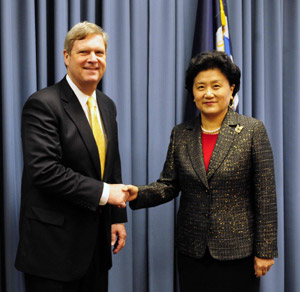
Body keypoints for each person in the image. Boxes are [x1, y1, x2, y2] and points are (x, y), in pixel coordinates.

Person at [125, 51, 278, 292]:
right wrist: (137, 193)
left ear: (231, 89)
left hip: (238, 252)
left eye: (216, 86)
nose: (208, 93)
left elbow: (266, 196)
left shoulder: (251, 130)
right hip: (192, 251)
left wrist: (265, 250)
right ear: (193, 94)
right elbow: (168, 185)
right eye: (200, 87)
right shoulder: (181, 133)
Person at [15, 21, 129, 292]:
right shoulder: (43, 104)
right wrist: (105, 193)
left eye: (99, 53)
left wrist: (115, 217)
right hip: (52, 250)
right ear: (66, 57)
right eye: (84, 52)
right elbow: (44, 171)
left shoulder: (106, 104)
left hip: (96, 249)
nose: (93, 59)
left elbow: (110, 163)